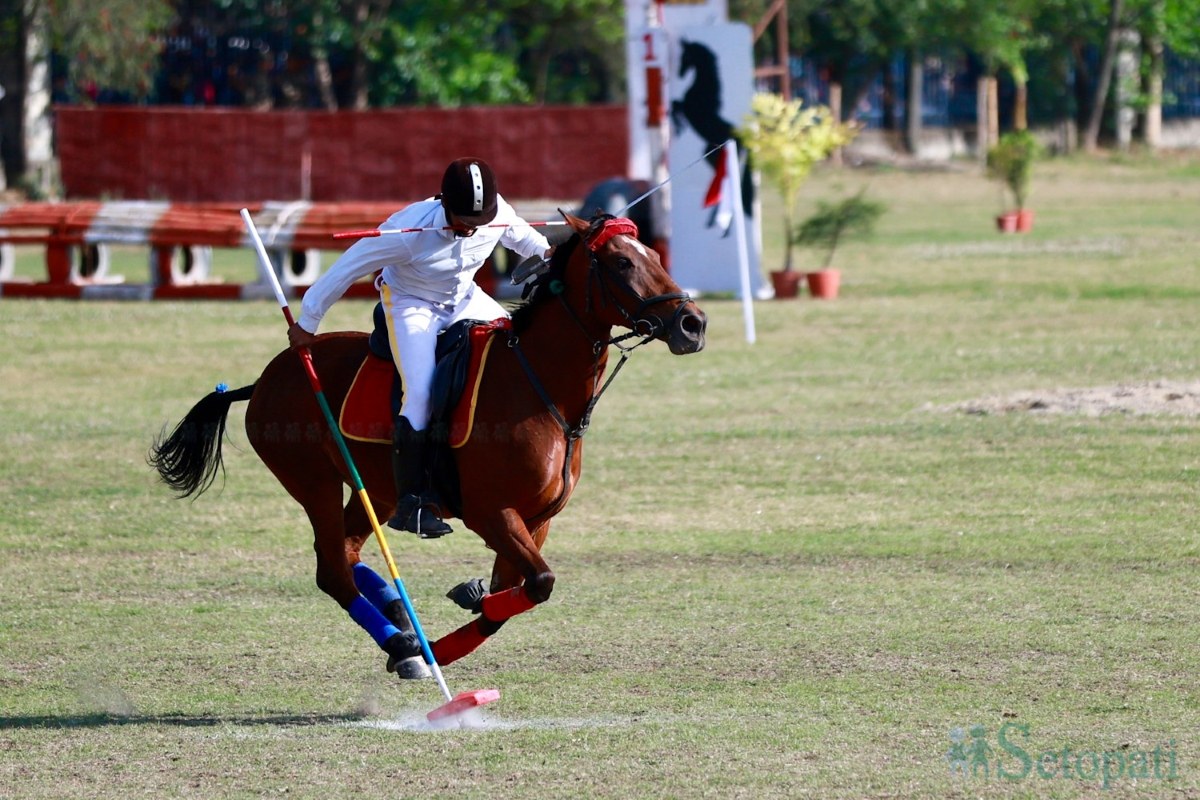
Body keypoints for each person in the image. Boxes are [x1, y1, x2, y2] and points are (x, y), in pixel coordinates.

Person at [288, 157, 553, 537]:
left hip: (465, 298)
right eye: (464, 220)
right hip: (411, 303)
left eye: (480, 221)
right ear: (445, 204)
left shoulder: (496, 213)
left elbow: (523, 238)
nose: (473, 228)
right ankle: (412, 502)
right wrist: (308, 323)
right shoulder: (407, 231)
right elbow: (346, 268)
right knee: (421, 391)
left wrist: (546, 253)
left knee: (514, 350)